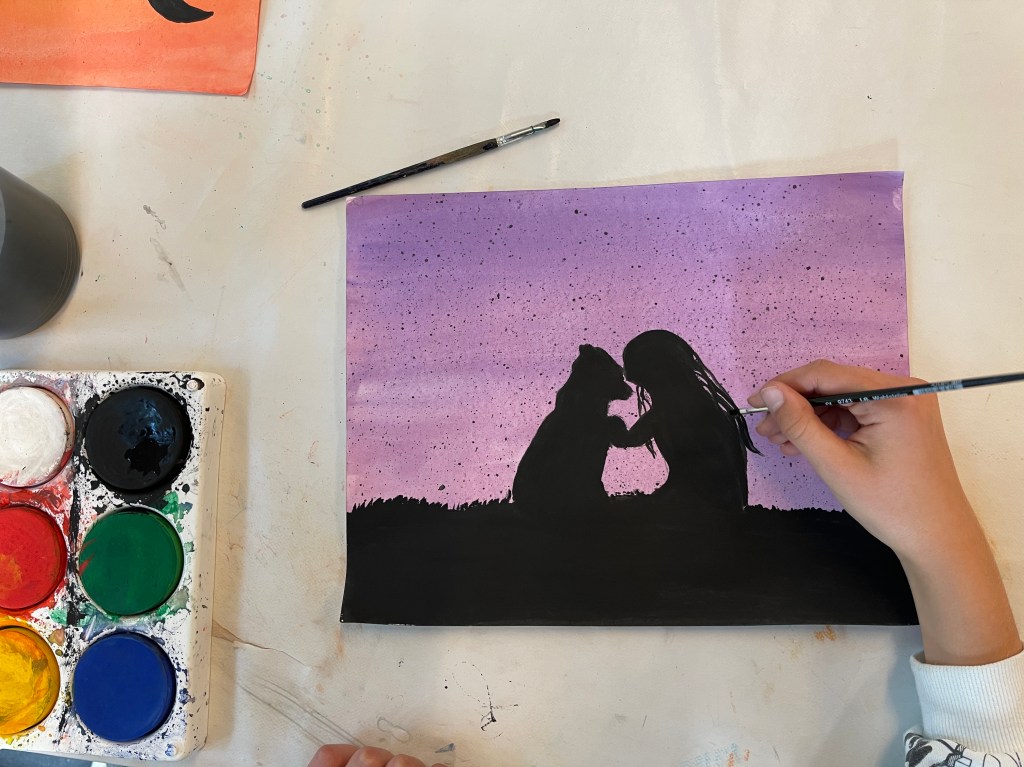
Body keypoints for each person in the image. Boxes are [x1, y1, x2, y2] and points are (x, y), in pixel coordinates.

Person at [309, 361, 1024, 767]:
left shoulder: (651, 410)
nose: (629, 387)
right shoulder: (606, 413)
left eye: (637, 375)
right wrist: (942, 542)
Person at [614, 330, 759, 509]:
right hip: (714, 501)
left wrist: (609, 424)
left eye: (630, 363)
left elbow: (630, 439)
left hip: (705, 504)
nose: (624, 370)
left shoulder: (678, 408)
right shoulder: (679, 404)